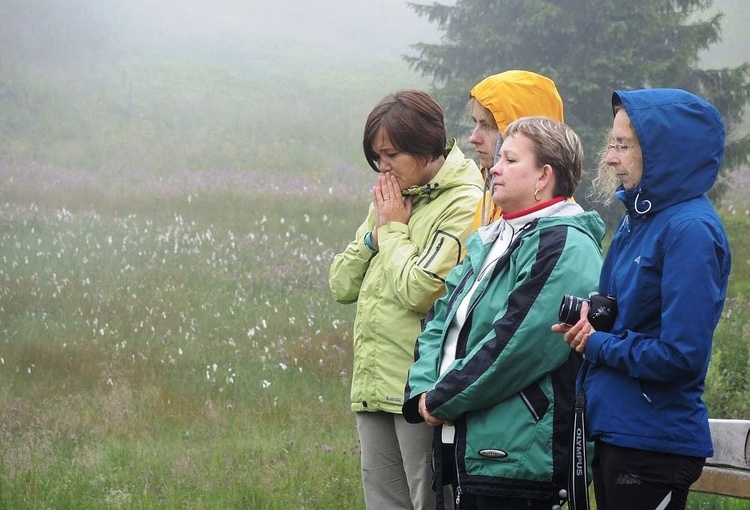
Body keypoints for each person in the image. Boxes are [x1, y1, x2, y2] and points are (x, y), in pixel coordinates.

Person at [403, 116, 606, 509]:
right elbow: (440, 320)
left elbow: (515, 346)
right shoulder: (493, 238)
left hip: (519, 460)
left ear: (544, 175)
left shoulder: (564, 242)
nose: (494, 168)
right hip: (473, 444)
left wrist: (441, 398)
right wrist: (423, 390)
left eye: (510, 160)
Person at [552, 88, 732, 510]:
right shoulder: (641, 220)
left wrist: (596, 343)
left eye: (623, 145)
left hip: (655, 442)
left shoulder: (690, 232)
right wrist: (592, 321)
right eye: (611, 144)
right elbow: (629, 317)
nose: (611, 157)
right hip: (622, 429)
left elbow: (681, 354)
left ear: (664, 151)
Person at [329, 89, 484, 510]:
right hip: (373, 383)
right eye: (377, 156)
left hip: (420, 390)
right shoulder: (392, 195)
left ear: (425, 144)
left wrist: (393, 231)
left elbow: (422, 290)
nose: (383, 167)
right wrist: (372, 236)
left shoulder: (465, 201)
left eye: (391, 154)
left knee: (429, 500)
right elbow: (341, 284)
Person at [467, 70, 565, 230]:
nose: (474, 138)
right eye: (475, 123)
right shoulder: (487, 205)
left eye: (487, 126)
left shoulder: (557, 227)